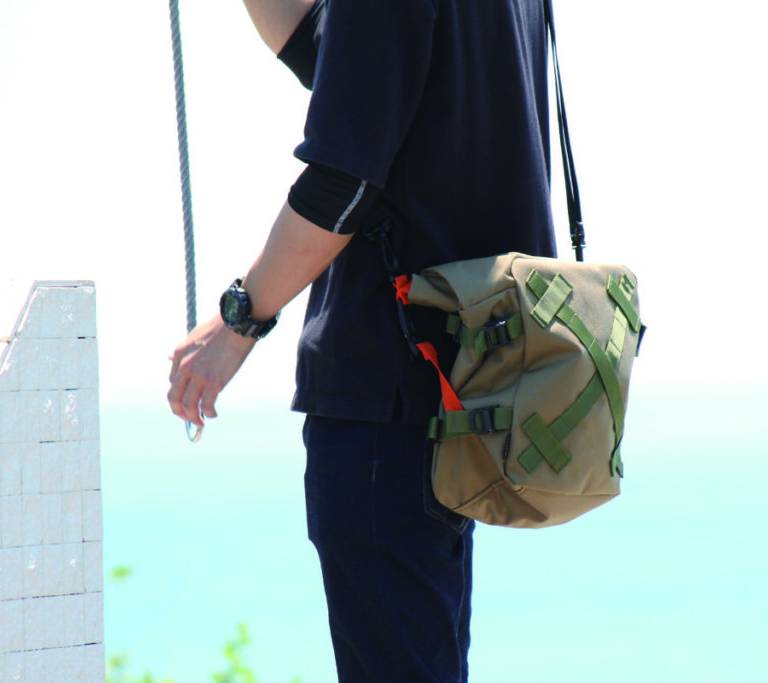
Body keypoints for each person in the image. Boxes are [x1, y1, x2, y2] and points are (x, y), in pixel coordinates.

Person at [167, 0, 557, 680]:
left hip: (387, 390)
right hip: (464, 383)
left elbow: (343, 178)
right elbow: (337, 59)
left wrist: (240, 320)